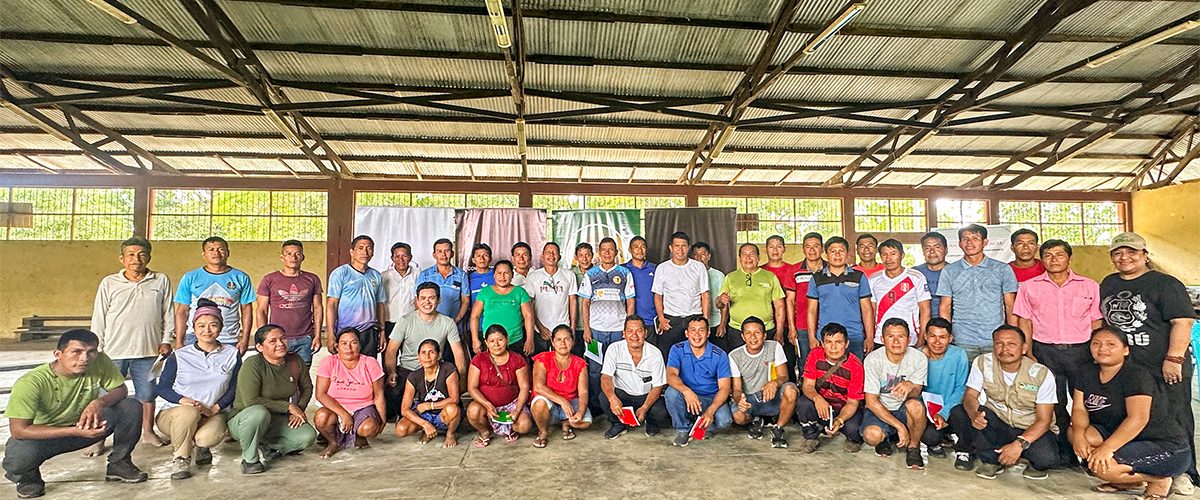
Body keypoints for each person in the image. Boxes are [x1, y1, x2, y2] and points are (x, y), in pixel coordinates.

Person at [1100, 232, 1197, 492]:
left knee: (1175, 418)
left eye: (1132, 252)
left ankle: (1184, 472)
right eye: (1118, 253)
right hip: (1128, 369)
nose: (1125, 257)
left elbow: (1183, 322)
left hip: (1163, 367)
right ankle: (1138, 471)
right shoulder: (1108, 283)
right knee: (1132, 418)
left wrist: (1174, 358)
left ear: (1144, 255)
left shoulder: (1166, 284)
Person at [3, 330, 148, 498]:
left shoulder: (99, 361)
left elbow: (120, 389)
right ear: (58, 354)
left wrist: (98, 403)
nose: (85, 358)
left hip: (84, 425)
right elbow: (19, 430)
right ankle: (28, 479)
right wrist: (75, 431)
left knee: (130, 406)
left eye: (91, 351)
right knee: (17, 457)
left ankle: (120, 463)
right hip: (46, 436)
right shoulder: (31, 383)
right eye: (76, 352)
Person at [1070, 327, 1194, 499]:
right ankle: (1129, 480)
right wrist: (1078, 436)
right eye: (1096, 343)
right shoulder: (1086, 372)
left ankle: (1158, 479)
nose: (1102, 348)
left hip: (1164, 445)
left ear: (1126, 350)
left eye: (1111, 344)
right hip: (1124, 437)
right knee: (1077, 434)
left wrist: (1106, 449)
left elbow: (1138, 419)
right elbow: (1079, 408)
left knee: (1101, 468)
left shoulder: (1136, 375)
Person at [1013, 238, 1103, 464]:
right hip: (1045, 352)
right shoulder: (1029, 287)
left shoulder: (1089, 286)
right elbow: (1025, 321)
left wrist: (1096, 352)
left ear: (1069, 258)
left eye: (1059, 255)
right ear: (1042, 260)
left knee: (1087, 402)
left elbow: (1096, 321)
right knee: (1055, 403)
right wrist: (1029, 352)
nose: (1054, 260)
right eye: (1048, 255)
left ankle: (1092, 452)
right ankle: (1065, 451)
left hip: (1081, 352)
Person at [91, 236, 174, 448]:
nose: (136, 259)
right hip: (113, 351)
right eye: (131, 255)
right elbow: (99, 317)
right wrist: (96, 348)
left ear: (149, 257)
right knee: (107, 395)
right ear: (122, 258)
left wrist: (166, 340)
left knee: (147, 394)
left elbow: (168, 313)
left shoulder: (160, 280)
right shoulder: (109, 283)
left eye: (141, 254)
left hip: (148, 350)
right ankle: (99, 438)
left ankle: (148, 432)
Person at [949, 325, 1060, 480]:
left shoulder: (1041, 374)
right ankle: (991, 460)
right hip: (998, 422)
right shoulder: (983, 362)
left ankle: (1022, 457)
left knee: (1046, 458)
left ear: (1024, 348)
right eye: (999, 343)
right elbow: (970, 395)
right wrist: (974, 414)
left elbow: (1044, 420)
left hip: (1028, 427)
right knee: (960, 412)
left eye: (1011, 344)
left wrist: (1019, 444)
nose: (1004, 349)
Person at [155, 301, 241, 480]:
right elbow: (162, 387)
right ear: (193, 328)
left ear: (221, 327)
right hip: (175, 413)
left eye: (213, 325)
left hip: (212, 413)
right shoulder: (179, 355)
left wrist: (216, 408)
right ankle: (181, 458)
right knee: (189, 412)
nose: (207, 330)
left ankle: (201, 447)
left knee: (207, 437)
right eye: (201, 325)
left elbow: (235, 386)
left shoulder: (232, 354)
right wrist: (183, 401)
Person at [228, 325, 317, 475]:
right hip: (245, 419)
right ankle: (250, 459)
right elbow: (251, 401)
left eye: (283, 339)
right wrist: (288, 406)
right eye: (272, 341)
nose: (280, 344)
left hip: (275, 418)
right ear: (259, 347)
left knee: (307, 436)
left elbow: (307, 388)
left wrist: (299, 409)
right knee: (258, 413)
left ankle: (268, 445)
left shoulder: (295, 361)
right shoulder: (253, 364)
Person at [384, 282, 468, 421]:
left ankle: (442, 420)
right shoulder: (405, 321)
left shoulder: (448, 322)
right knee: (393, 392)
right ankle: (406, 417)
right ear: (417, 300)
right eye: (423, 298)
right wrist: (391, 372)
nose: (427, 302)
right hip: (408, 369)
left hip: (436, 370)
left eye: (432, 298)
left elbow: (458, 353)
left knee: (455, 406)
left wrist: (462, 379)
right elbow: (391, 351)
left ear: (439, 300)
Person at [937, 224, 1018, 361]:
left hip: (995, 339)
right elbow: (945, 307)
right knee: (964, 375)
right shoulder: (949, 271)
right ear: (959, 244)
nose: (969, 242)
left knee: (995, 375)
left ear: (985, 242)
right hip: (962, 340)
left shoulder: (1002, 269)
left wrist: (1013, 337)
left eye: (975, 238)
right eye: (965, 239)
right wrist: (946, 336)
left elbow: (1010, 306)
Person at [861, 318, 929, 470]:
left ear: (909, 339)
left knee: (916, 406)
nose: (896, 341)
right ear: (882, 339)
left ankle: (913, 447)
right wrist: (900, 427)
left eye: (901, 336)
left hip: (903, 408)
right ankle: (886, 438)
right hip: (881, 408)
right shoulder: (873, 359)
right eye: (891, 336)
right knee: (871, 435)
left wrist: (910, 385)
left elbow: (916, 393)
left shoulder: (919, 358)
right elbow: (871, 401)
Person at [578, 237, 636, 415]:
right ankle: (597, 406)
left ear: (616, 252)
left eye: (611, 250)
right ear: (599, 253)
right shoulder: (591, 274)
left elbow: (630, 302)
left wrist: (627, 328)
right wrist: (587, 328)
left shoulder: (625, 273)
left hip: (618, 330)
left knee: (619, 368)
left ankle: (617, 404)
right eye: (604, 250)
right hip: (595, 331)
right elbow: (585, 303)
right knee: (595, 369)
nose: (607, 253)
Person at [313, 328, 386, 458]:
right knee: (321, 417)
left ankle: (358, 435)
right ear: (337, 346)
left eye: (354, 342)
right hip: (335, 407)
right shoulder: (329, 362)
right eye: (344, 343)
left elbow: (379, 394)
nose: (349, 347)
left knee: (369, 428)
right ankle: (333, 442)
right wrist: (343, 414)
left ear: (360, 345)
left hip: (362, 407)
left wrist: (382, 420)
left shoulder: (369, 362)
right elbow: (320, 394)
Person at [173, 236, 254, 353]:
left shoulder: (241, 277)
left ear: (228, 253)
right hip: (195, 337)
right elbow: (182, 311)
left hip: (228, 338)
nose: (216, 253)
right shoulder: (190, 277)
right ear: (204, 254)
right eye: (211, 249)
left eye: (221, 249)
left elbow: (246, 310)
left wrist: (245, 339)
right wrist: (179, 341)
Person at [796, 323, 866, 453]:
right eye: (828, 342)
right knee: (803, 403)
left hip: (844, 407)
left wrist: (839, 420)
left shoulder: (855, 366)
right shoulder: (815, 355)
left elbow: (852, 402)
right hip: (823, 405)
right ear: (822, 344)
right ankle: (811, 436)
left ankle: (853, 439)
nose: (833, 347)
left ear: (846, 344)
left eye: (838, 342)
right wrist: (817, 398)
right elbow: (807, 386)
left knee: (854, 429)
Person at [727, 316, 797, 449]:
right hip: (751, 400)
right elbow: (736, 389)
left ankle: (778, 428)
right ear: (742, 337)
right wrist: (740, 400)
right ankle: (755, 419)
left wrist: (774, 383)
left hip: (774, 397)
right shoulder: (734, 356)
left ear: (764, 335)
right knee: (738, 416)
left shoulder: (774, 346)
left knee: (791, 390)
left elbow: (784, 377)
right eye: (748, 333)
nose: (753, 337)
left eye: (757, 332)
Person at [665, 316, 732, 447]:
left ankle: (703, 424)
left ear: (708, 333)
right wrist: (686, 391)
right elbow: (670, 375)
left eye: (701, 330)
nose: (697, 334)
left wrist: (710, 411)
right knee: (671, 393)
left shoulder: (720, 355)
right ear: (686, 333)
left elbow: (724, 388)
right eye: (693, 330)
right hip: (687, 397)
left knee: (725, 421)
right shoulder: (677, 349)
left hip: (711, 398)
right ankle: (683, 430)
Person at [601, 315, 671, 439]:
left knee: (661, 412)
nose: (634, 335)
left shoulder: (655, 353)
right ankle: (618, 424)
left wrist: (644, 408)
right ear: (623, 334)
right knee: (604, 397)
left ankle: (651, 422)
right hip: (622, 394)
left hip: (645, 396)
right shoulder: (614, 349)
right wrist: (612, 398)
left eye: (639, 331)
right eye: (630, 331)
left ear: (645, 333)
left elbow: (658, 386)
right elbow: (606, 377)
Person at [255, 239, 323, 366]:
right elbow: (261, 311)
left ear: (303, 257)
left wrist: (317, 335)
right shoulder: (269, 279)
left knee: (302, 373)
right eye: (289, 254)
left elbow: (318, 308)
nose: (293, 257)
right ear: (282, 257)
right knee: (277, 373)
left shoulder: (312, 279)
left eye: (297, 254)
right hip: (277, 338)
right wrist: (263, 338)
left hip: (305, 337)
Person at [807, 236, 874, 359]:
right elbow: (811, 310)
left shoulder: (859, 276)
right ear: (826, 254)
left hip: (853, 335)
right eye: (833, 251)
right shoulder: (816, 278)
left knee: (854, 369)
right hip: (827, 337)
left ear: (847, 254)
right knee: (827, 370)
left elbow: (867, 309)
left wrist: (870, 337)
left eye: (841, 251)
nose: (837, 255)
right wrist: (812, 337)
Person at [466, 325, 533, 446]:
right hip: (486, 404)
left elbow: (524, 387)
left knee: (524, 425)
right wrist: (487, 405)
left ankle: (511, 429)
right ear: (486, 342)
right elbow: (472, 388)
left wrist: (517, 410)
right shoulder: (479, 360)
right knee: (473, 411)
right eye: (492, 341)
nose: (496, 344)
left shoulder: (517, 359)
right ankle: (485, 432)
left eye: (500, 340)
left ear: (507, 339)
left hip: (512, 404)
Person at [530, 326, 593, 448]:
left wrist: (580, 412)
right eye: (558, 340)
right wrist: (562, 401)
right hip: (549, 403)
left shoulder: (579, 363)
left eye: (567, 339)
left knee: (585, 422)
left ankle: (566, 423)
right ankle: (543, 432)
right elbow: (538, 387)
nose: (563, 343)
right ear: (552, 342)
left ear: (573, 342)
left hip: (570, 403)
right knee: (539, 403)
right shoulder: (543, 358)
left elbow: (583, 392)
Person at [717, 243, 785, 353]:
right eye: (744, 254)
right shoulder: (730, 277)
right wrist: (721, 300)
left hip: (765, 330)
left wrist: (779, 332)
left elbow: (780, 306)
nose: (748, 258)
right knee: (738, 361)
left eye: (752, 254)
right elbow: (720, 304)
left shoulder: (770, 277)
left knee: (767, 361)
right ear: (739, 258)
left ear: (758, 257)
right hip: (737, 330)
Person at [326, 235, 387, 357]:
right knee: (347, 366)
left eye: (369, 248)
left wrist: (382, 332)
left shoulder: (376, 275)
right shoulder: (340, 273)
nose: (365, 252)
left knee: (368, 365)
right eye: (360, 248)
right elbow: (331, 304)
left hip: (369, 331)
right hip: (346, 331)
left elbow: (380, 304)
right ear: (352, 252)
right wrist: (330, 334)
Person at [652, 232, 711, 357]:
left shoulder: (699, 267)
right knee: (669, 356)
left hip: (694, 318)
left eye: (683, 246)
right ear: (671, 248)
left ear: (688, 247)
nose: (680, 249)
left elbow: (705, 294)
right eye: (677, 246)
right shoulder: (662, 268)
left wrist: (705, 320)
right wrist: (661, 318)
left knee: (695, 355)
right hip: (671, 320)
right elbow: (658, 295)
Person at [396, 339, 462, 448]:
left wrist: (429, 405)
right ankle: (426, 430)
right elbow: (405, 409)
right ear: (418, 357)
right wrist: (425, 424)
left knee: (453, 409)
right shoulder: (413, 376)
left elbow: (454, 399)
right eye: (423, 353)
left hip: (443, 412)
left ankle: (450, 433)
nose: (427, 356)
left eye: (431, 352)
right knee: (401, 429)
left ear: (439, 355)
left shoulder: (448, 369)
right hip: (425, 414)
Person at [919, 318, 968, 461]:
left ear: (950, 338)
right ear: (925, 336)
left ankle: (964, 451)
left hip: (951, 407)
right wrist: (932, 414)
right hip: (928, 412)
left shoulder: (959, 355)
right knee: (930, 437)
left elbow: (961, 388)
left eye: (942, 337)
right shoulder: (917, 356)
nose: (937, 342)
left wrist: (944, 412)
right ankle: (936, 442)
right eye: (932, 336)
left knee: (962, 414)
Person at [869, 239, 931, 350]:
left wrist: (921, 338)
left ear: (902, 255)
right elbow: (871, 311)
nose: (888, 259)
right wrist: (870, 336)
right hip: (880, 338)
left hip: (910, 338)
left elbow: (925, 310)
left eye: (893, 254)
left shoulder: (916, 277)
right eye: (884, 254)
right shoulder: (873, 279)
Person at [470, 260, 535, 355]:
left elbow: (528, 316)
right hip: (491, 342)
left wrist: (529, 340)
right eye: (499, 273)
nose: (502, 277)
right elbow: (474, 316)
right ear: (494, 275)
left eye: (506, 273)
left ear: (512, 275)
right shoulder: (485, 292)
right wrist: (475, 340)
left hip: (515, 341)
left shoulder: (520, 292)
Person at [786, 232, 827, 378]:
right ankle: (806, 390)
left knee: (829, 361)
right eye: (808, 247)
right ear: (803, 249)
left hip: (827, 323)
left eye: (816, 246)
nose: (812, 250)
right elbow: (790, 301)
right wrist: (792, 327)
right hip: (802, 326)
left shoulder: (831, 268)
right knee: (805, 362)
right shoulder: (794, 270)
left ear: (822, 248)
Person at [525, 241, 578, 354]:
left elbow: (573, 301)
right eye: (548, 252)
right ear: (542, 256)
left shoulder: (569, 275)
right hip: (540, 330)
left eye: (554, 252)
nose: (551, 255)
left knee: (563, 361)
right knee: (541, 362)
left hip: (563, 330)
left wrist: (572, 327)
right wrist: (540, 327)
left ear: (559, 256)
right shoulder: (533, 276)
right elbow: (529, 305)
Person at [416, 238, 470, 323]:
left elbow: (465, 301)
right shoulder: (424, 275)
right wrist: (425, 321)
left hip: (454, 324)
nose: (443, 255)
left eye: (447, 251)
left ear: (452, 254)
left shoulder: (461, 275)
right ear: (434, 255)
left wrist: (456, 320)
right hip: (430, 324)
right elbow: (417, 300)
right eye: (439, 251)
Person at [381, 242, 420, 338]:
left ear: (410, 257)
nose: (401, 260)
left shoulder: (418, 274)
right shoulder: (384, 276)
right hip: (389, 323)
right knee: (389, 348)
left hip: (411, 322)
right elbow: (380, 302)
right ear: (392, 258)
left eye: (404, 256)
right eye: (397, 256)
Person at [691, 241, 726, 343]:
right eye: (696, 255)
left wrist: (722, 324)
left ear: (709, 256)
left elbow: (724, 302)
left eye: (703, 254)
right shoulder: (688, 274)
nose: (699, 258)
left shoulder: (718, 275)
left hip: (715, 323)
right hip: (695, 325)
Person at [623, 236, 658, 332]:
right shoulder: (623, 270)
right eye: (636, 247)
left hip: (651, 321)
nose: (640, 250)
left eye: (643, 247)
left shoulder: (655, 269)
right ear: (630, 250)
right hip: (630, 323)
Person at [913, 232, 947, 319]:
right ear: (923, 251)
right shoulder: (914, 273)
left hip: (948, 322)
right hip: (920, 321)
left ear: (946, 250)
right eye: (927, 248)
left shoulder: (955, 272)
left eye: (937, 247)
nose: (932, 251)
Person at [571, 243, 596, 346]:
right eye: (581, 255)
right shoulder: (570, 274)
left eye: (587, 255)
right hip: (575, 326)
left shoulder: (598, 273)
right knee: (575, 354)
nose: (584, 259)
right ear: (576, 257)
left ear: (592, 255)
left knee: (593, 354)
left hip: (593, 325)